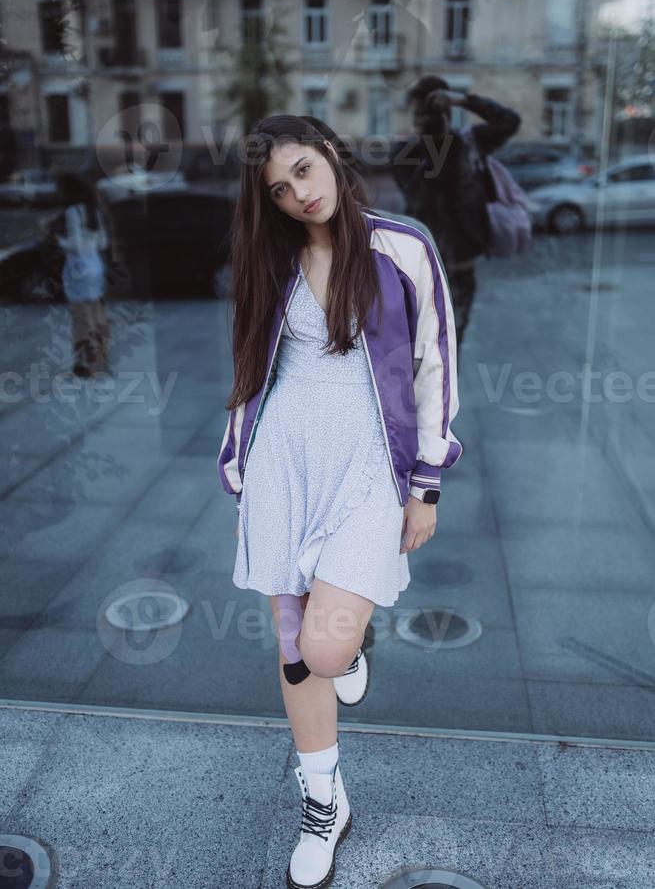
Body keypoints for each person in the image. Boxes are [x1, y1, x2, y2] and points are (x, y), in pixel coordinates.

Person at [217, 115, 462, 889]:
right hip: (284, 460)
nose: (298, 194)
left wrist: (425, 483)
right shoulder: (274, 256)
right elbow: (252, 362)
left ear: (330, 153)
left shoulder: (401, 246)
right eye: (279, 189)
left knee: (324, 649)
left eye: (303, 170)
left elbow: (433, 364)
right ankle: (323, 804)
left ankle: (351, 645)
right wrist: (238, 465)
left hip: (367, 463)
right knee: (294, 650)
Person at [391, 76, 521, 347]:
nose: (425, 120)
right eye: (420, 114)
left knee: (449, 352)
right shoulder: (406, 154)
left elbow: (510, 121)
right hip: (420, 273)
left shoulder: (469, 143)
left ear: (448, 113)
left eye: (432, 113)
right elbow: (417, 201)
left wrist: (463, 100)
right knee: (415, 353)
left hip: (459, 271)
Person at [53, 172, 110, 377]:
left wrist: (58, 240)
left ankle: (84, 364)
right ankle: (100, 363)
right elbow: (103, 243)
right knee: (96, 317)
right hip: (96, 266)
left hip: (78, 271)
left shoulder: (72, 212)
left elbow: (75, 246)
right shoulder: (94, 211)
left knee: (80, 318)